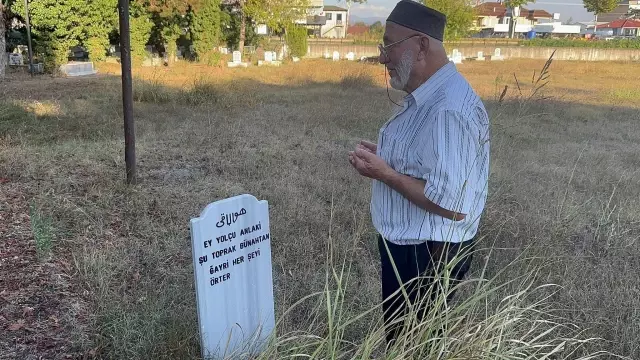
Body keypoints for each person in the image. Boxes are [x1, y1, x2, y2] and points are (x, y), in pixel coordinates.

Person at [348, 0, 491, 347]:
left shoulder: (447, 109)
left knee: (412, 345)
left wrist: (387, 175)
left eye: (389, 46)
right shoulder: (434, 96)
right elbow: (436, 164)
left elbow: (454, 203)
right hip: (419, 246)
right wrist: (390, 158)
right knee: (411, 340)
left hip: (427, 253)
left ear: (421, 45)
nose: (383, 57)